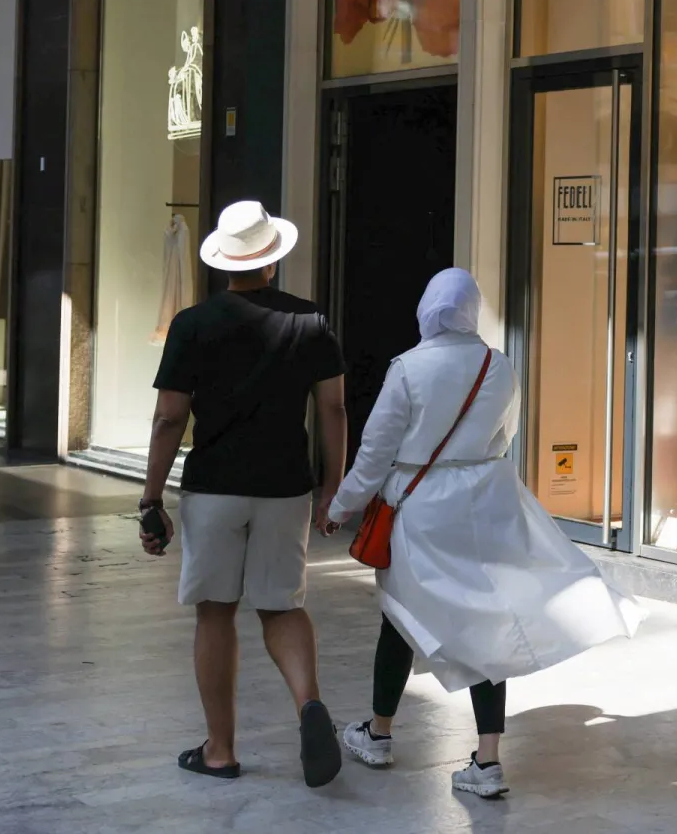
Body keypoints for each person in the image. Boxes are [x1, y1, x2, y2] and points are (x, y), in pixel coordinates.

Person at [320, 268, 643, 799]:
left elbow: (376, 451)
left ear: (426, 309)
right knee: (489, 622)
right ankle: (487, 760)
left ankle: (378, 733)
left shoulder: (408, 368)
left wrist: (341, 505)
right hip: (486, 501)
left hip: (420, 506)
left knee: (399, 617)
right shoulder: (499, 364)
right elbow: (504, 434)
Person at [139, 200, 348, 789]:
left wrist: (151, 498)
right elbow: (333, 408)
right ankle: (309, 703)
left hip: (214, 487)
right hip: (285, 488)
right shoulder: (310, 322)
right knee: (282, 606)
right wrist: (333, 488)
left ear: (222, 263)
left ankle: (220, 751)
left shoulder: (192, 325)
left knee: (215, 611)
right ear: (272, 261)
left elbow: (169, 417)